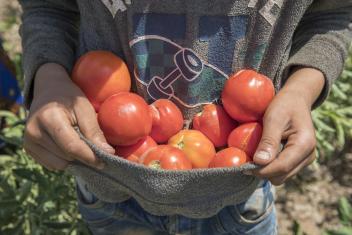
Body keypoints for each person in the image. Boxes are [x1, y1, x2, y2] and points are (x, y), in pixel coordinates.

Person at [19, 0, 352, 234]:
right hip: (111, 188)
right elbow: (49, 7)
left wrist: (302, 88)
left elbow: (333, 14)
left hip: (236, 195)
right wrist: (49, 76)